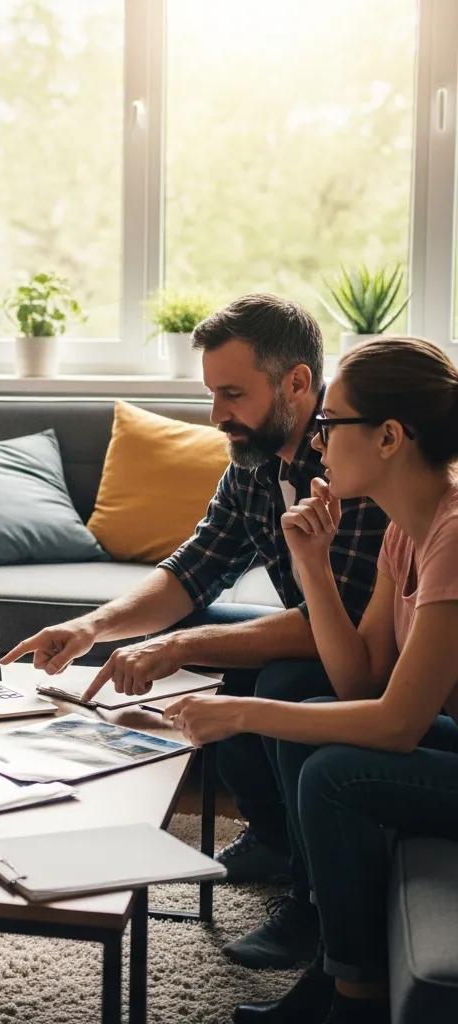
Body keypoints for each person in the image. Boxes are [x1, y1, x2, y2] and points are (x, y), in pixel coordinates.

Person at [1, 294, 388, 965]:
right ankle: (272, 835)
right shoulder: (252, 461)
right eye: (212, 394)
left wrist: (177, 645)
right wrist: (92, 628)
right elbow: (192, 572)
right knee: (202, 629)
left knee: (280, 676)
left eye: (232, 394)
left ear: (298, 383)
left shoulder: (353, 461)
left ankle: (311, 902)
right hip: (318, 631)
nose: (216, 416)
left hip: (370, 653)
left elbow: (338, 629)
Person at [166, 336, 458, 1024]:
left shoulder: (453, 535)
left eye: (331, 423)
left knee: (333, 773)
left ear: (389, 437)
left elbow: (395, 724)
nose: (318, 442)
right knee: (310, 724)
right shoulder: (405, 531)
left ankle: (355, 1002)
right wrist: (313, 566)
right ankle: (331, 969)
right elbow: (359, 683)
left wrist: (240, 714)